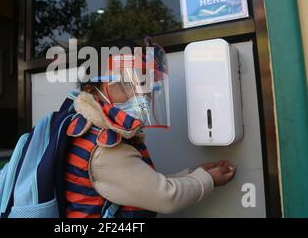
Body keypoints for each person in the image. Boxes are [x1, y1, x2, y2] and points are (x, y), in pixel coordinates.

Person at [61, 38, 236, 218]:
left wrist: (195, 175)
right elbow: (165, 197)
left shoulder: (93, 132)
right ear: (92, 93)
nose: (142, 95)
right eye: (128, 84)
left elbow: (145, 186)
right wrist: (208, 180)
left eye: (144, 83)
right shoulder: (104, 147)